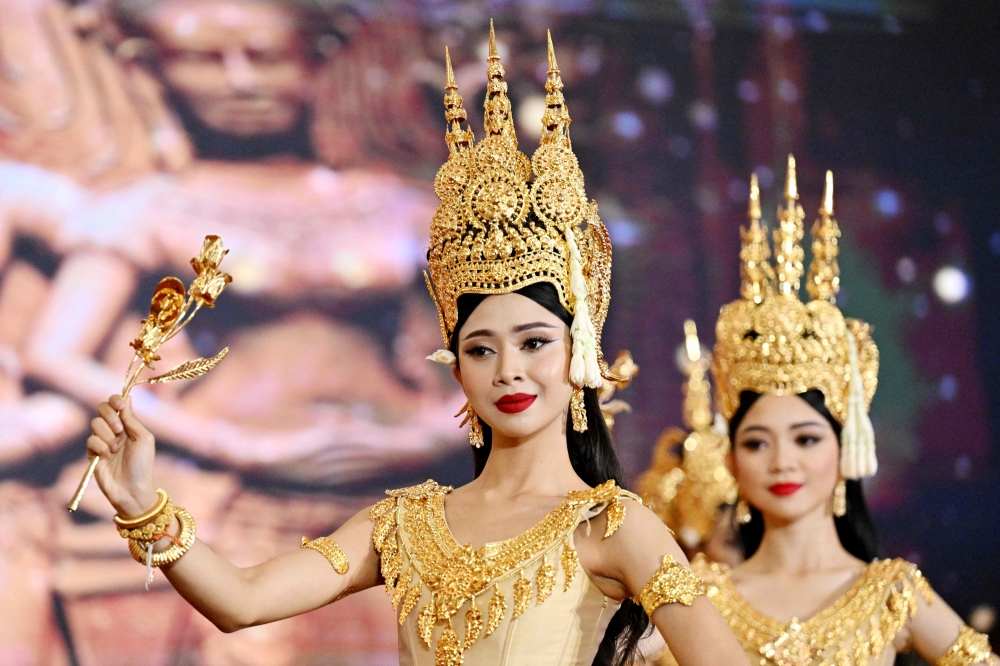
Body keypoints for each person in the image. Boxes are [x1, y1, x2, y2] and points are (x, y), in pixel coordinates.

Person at [83, 26, 750, 666]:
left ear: (578, 353)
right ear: (454, 367)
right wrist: (143, 504)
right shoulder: (403, 523)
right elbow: (244, 601)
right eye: (482, 350)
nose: (508, 370)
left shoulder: (613, 527)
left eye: (535, 342)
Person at [692, 160, 998, 666]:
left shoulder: (890, 594)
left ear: (844, 448)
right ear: (730, 460)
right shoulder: (701, 597)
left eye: (807, 438)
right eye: (756, 442)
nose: (782, 461)